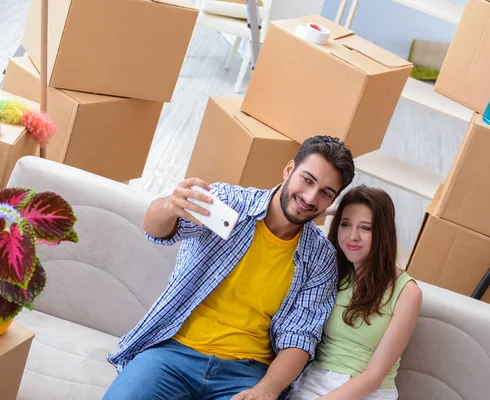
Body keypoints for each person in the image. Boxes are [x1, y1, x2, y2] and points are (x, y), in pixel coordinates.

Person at [103, 136, 355, 400]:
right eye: (307, 179)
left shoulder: (321, 258)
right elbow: (158, 231)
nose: (310, 197)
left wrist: (265, 391)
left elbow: (300, 338)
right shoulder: (230, 202)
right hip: (173, 353)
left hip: (246, 374)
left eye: (326, 193)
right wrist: (169, 205)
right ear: (289, 169)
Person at [288, 186, 422, 400]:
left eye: (366, 228)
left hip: (367, 392)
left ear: (383, 232)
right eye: (345, 224)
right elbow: (287, 225)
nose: (352, 237)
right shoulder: (330, 270)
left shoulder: (407, 292)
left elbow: (374, 376)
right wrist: (327, 210)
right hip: (312, 382)